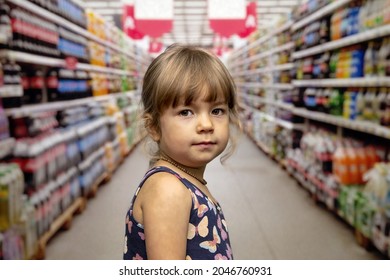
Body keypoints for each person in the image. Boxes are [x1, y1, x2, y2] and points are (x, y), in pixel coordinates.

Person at [123, 44, 240, 260]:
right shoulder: (168, 190)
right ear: (154, 127)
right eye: (186, 112)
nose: (206, 124)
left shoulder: (186, 180)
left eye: (217, 111)